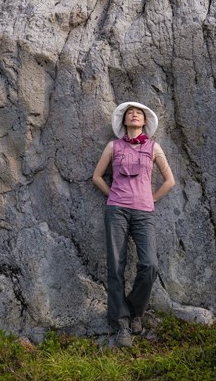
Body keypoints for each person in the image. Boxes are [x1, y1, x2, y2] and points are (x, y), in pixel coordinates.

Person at [92, 101, 175, 348]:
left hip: (144, 213)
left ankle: (135, 310)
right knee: (116, 267)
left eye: (139, 112)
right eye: (130, 113)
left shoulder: (154, 147)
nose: (135, 114)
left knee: (150, 265)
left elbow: (169, 180)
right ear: (124, 120)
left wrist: (152, 199)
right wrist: (113, 196)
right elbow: (97, 177)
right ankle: (122, 324)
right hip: (116, 211)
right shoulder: (113, 146)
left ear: (145, 121)